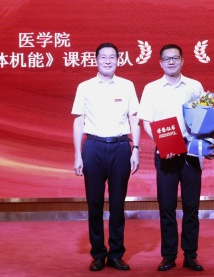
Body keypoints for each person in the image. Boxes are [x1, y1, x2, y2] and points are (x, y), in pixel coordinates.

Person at [72, 42, 141, 272]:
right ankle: (98, 254)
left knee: (118, 204)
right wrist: (78, 155)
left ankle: (116, 254)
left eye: (112, 57)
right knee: (94, 203)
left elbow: (134, 118)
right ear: (96, 60)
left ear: (118, 60)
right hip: (93, 147)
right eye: (103, 57)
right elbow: (79, 121)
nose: (108, 61)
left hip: (121, 146)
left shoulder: (127, 86)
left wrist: (136, 148)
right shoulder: (85, 87)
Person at [137, 44, 205, 272]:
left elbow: (204, 118)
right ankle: (168, 255)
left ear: (182, 60)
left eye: (175, 58)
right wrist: (162, 142)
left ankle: (190, 255)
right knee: (166, 206)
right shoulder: (151, 89)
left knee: (191, 206)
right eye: (167, 59)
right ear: (160, 62)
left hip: (190, 152)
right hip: (165, 151)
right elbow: (146, 121)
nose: (171, 62)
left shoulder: (195, 86)